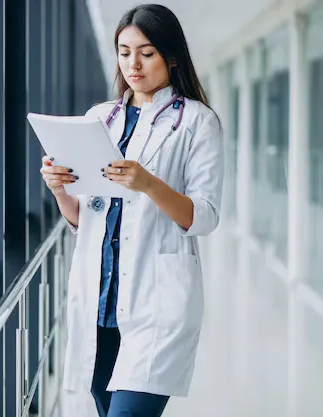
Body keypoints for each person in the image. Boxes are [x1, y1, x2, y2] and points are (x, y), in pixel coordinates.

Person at [39, 4, 223, 417]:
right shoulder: (99, 118)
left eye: (146, 52)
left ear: (171, 56)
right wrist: (59, 191)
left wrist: (148, 184)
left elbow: (205, 216)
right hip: (101, 302)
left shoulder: (196, 122)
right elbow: (86, 217)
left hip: (157, 303)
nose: (133, 64)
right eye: (124, 52)